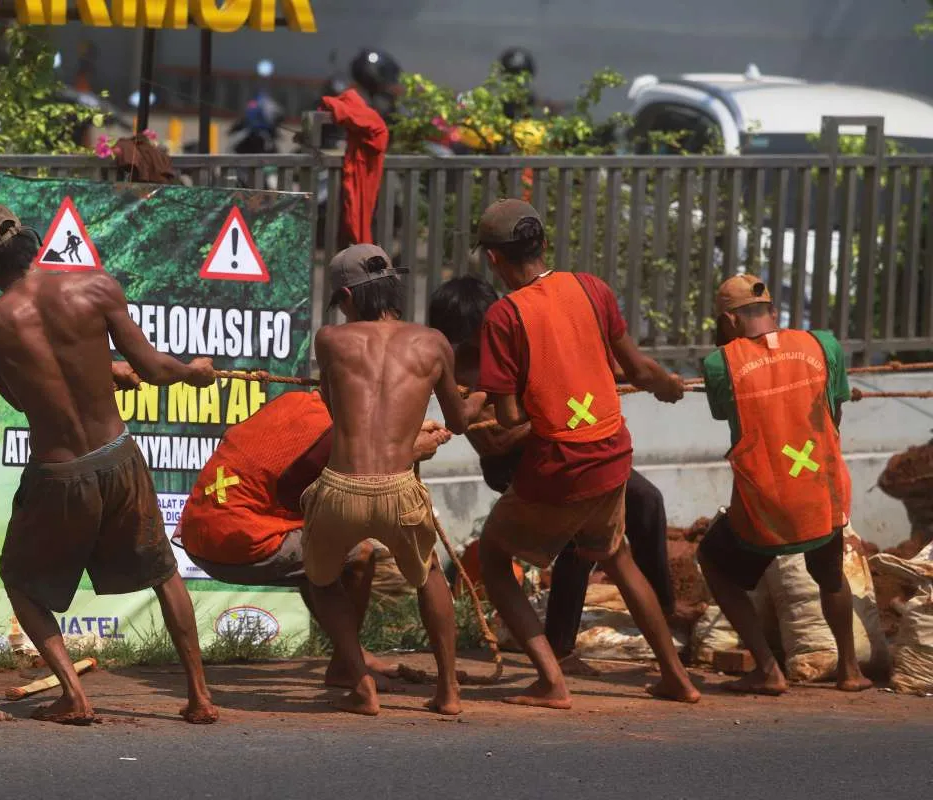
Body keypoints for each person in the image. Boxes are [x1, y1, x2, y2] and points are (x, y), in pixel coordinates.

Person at [0, 202, 219, 725]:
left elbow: (25, 398)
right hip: (119, 457)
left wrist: (98, 373)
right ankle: (200, 697)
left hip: (59, 473)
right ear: (30, 242)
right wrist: (193, 372)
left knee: (20, 581)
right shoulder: (95, 286)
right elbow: (153, 368)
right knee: (164, 572)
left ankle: (74, 694)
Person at [472, 199, 700, 708]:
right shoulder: (591, 288)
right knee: (617, 558)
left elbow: (508, 418)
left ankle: (551, 680)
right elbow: (639, 369)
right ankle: (677, 678)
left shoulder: (504, 316)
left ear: (492, 258)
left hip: (562, 465)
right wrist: (667, 384)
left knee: (491, 554)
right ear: (544, 245)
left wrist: (522, 407)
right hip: (612, 452)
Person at [427, 276, 675, 673]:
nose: (482, 338)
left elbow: (591, 370)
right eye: (473, 334)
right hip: (525, 458)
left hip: (568, 446)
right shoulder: (458, 368)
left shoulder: (513, 336)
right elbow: (494, 441)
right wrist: (552, 415)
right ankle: (560, 648)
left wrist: (637, 379)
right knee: (581, 539)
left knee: (647, 502)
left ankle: (666, 616)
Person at [303, 243, 487, 716]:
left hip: (341, 488)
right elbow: (460, 421)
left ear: (346, 296)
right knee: (427, 576)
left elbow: (338, 407)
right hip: (399, 489)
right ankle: (448, 691)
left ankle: (359, 679)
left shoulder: (329, 340)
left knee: (320, 582)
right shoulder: (433, 343)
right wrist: (489, 395)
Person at [176, 390, 451, 690]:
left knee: (318, 558)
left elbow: (365, 444)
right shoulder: (330, 436)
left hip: (198, 535)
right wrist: (410, 451)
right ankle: (348, 668)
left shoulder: (301, 402)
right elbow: (359, 475)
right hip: (237, 543)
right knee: (359, 555)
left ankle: (353, 656)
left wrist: (410, 436)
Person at [697, 274, 872, 695]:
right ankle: (849, 670)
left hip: (766, 501)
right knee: (829, 574)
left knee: (714, 561)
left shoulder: (721, 364)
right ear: (772, 312)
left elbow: (726, 416)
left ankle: (768, 670)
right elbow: (835, 411)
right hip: (820, 490)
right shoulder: (823, 345)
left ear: (728, 321)